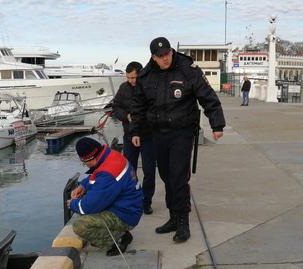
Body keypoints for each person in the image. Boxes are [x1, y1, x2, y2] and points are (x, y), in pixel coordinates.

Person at [130, 37, 226, 243]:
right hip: (158, 133)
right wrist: (135, 131)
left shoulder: (187, 68)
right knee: (165, 175)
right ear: (153, 57)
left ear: (172, 52)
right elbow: (138, 106)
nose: (165, 59)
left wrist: (217, 124)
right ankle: (173, 217)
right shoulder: (146, 75)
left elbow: (207, 96)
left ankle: (183, 222)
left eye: (167, 54)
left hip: (182, 132)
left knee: (178, 177)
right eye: (160, 56)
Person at [68, 137, 143, 256]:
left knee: (80, 225)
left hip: (126, 214)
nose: (85, 165)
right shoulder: (110, 155)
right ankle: (120, 233)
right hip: (129, 205)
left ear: (90, 159)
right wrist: (84, 185)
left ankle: (117, 240)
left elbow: (89, 206)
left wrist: (72, 204)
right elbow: (98, 175)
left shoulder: (108, 173)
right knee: (88, 199)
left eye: (84, 162)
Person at [112, 61, 156, 215]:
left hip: (148, 135)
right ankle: (132, 198)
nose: (131, 81)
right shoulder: (124, 88)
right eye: (129, 77)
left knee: (149, 170)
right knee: (129, 170)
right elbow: (116, 107)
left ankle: (147, 201)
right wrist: (126, 116)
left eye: (134, 77)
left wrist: (139, 117)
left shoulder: (149, 87)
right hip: (130, 135)